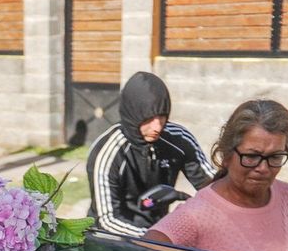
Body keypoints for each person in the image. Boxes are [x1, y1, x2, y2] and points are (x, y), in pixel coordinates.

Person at [146, 98, 288, 251]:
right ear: (227, 154)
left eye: (275, 157)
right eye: (252, 156)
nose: (263, 168)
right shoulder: (199, 214)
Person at [88, 71, 216, 238]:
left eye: (162, 117)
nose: (157, 127)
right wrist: (157, 239)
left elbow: (214, 187)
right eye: (148, 118)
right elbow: (107, 219)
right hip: (111, 242)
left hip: (159, 233)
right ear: (133, 115)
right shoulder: (107, 152)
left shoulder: (180, 139)